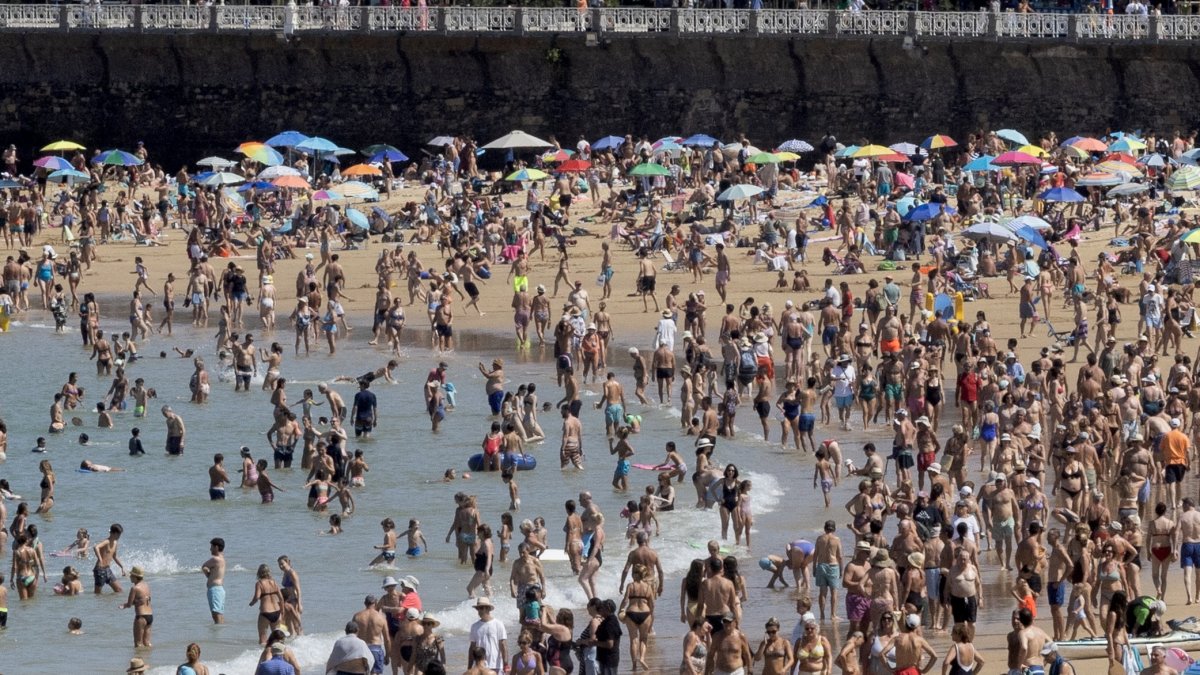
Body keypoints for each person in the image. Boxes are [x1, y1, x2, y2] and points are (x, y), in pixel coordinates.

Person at [469, 597, 508, 673]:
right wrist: (469, 667)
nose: (478, 611)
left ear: (487, 609)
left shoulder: (498, 624)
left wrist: (505, 664)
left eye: (480, 608)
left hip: (495, 665)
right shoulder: (474, 626)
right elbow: (472, 647)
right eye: (478, 609)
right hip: (479, 666)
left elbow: (503, 645)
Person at [119, 565, 152, 648]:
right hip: (150, 616)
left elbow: (129, 604)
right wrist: (136, 602)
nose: (130, 576)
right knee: (147, 643)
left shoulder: (134, 588)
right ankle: (149, 659)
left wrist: (124, 605)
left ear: (135, 577)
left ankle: (139, 659)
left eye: (131, 575)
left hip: (141, 617)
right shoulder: (146, 585)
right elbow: (145, 599)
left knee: (138, 644)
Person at [201, 537, 226, 624]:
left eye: (211, 546)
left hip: (215, 589)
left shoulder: (216, 559)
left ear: (216, 547)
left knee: (216, 614)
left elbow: (204, 566)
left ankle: (217, 635)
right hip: (219, 589)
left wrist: (208, 574)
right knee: (219, 614)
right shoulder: (222, 559)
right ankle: (220, 634)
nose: (210, 549)